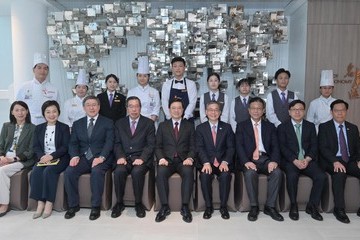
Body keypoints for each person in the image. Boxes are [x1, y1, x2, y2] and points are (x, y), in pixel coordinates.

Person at [64, 96, 114, 221]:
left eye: (94, 105)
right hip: (83, 157)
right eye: (88, 105)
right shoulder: (77, 124)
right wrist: (74, 156)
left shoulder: (108, 122)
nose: (92, 107)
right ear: (84, 107)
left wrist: (101, 157)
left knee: (97, 172)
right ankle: (73, 205)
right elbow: (73, 143)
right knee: (70, 171)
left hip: (102, 157)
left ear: (99, 107)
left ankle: (95, 206)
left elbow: (109, 142)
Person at [236, 97, 283, 222]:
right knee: (250, 173)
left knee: (277, 172)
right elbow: (239, 146)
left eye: (259, 108)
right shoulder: (241, 126)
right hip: (249, 159)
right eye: (253, 108)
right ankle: (254, 206)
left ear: (263, 111)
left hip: (266, 159)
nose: (256, 111)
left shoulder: (270, 126)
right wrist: (246, 161)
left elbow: (275, 146)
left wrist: (274, 161)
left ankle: (270, 206)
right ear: (249, 110)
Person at [278, 100, 326, 221]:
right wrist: (294, 160)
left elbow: (314, 145)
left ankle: (312, 206)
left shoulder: (310, 126)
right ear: (289, 112)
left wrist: (307, 159)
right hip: (290, 161)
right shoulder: (282, 127)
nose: (297, 112)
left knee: (321, 176)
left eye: (300, 109)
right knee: (292, 175)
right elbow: (282, 147)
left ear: (304, 112)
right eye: (294, 109)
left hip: (307, 160)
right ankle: (293, 205)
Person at [112, 96, 155, 218]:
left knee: (137, 172)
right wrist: (120, 156)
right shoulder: (119, 123)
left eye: (137, 106)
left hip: (141, 157)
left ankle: (138, 204)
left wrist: (142, 158)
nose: (134, 109)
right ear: (127, 108)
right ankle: (119, 203)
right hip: (124, 157)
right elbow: (117, 143)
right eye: (131, 106)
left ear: (140, 108)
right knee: (119, 171)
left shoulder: (149, 123)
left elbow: (151, 144)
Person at [318, 99, 360, 224]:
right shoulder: (324, 127)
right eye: (337, 111)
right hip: (332, 160)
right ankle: (339, 209)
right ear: (331, 112)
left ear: (346, 111)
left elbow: (358, 147)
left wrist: (359, 160)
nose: (340, 113)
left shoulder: (353, 128)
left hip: (350, 160)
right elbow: (323, 148)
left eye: (342, 110)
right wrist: (335, 161)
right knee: (339, 174)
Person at [155, 98, 195, 223]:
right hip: (167, 160)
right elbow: (158, 146)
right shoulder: (162, 125)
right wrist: (161, 158)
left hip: (183, 160)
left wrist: (189, 157)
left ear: (183, 110)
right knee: (160, 173)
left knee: (188, 173)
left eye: (179, 108)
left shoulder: (189, 126)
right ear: (169, 110)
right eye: (174, 108)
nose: (176, 110)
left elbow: (193, 146)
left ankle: (185, 206)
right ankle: (164, 206)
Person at [29, 100, 70, 219]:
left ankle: (49, 202)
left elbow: (65, 147)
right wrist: (42, 156)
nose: (51, 114)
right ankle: (40, 203)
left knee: (49, 171)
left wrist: (51, 156)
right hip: (43, 158)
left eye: (54, 111)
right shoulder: (39, 128)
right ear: (44, 114)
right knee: (36, 172)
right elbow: (36, 146)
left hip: (60, 158)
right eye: (48, 112)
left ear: (58, 112)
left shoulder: (64, 127)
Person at [196, 101, 234, 220]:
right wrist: (206, 162)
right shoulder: (200, 128)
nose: (213, 112)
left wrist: (225, 161)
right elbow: (199, 148)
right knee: (205, 176)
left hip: (223, 162)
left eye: (216, 109)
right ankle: (208, 207)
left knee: (225, 176)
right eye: (210, 110)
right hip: (207, 162)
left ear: (220, 112)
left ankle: (223, 207)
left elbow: (231, 147)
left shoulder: (227, 127)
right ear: (206, 112)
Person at [0, 101, 35, 217]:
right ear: (12, 112)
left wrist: (11, 159)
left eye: (23, 110)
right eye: (17, 110)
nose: (20, 113)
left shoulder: (33, 128)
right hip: (5, 157)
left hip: (21, 160)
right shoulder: (6, 126)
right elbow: (1, 145)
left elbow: (31, 152)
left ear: (27, 111)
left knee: (1, 171)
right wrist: (2, 157)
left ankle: (4, 204)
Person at [16, 52, 59, 125]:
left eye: (45, 68)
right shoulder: (24, 87)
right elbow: (17, 107)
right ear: (33, 70)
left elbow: (58, 108)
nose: (42, 71)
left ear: (47, 71)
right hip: (28, 123)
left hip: (48, 122)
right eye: (39, 68)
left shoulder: (53, 89)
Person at [161, 57, 197, 121]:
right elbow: (164, 102)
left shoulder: (191, 84)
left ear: (184, 68)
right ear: (172, 68)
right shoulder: (166, 84)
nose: (178, 68)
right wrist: (170, 117)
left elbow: (192, 102)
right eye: (175, 66)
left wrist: (186, 116)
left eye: (180, 66)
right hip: (170, 119)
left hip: (187, 119)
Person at [127, 56, 160, 122]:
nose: (142, 78)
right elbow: (129, 109)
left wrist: (149, 123)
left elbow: (156, 109)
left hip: (150, 122)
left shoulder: (155, 92)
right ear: (137, 76)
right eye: (140, 76)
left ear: (148, 77)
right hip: (135, 123)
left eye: (145, 76)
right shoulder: (131, 92)